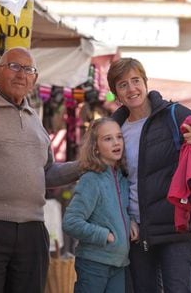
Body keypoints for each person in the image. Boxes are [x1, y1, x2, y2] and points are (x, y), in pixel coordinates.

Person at [0, 47, 80, 293]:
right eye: (14, 66)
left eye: (28, 69)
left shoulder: (34, 118)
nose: (21, 74)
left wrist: (84, 165)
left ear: (34, 78)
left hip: (32, 228)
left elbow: (47, 174)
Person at [108, 57, 191, 292]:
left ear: (145, 82)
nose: (131, 89)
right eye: (123, 85)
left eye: (135, 80)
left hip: (177, 227)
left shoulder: (173, 114)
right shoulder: (113, 129)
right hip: (137, 231)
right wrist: (125, 218)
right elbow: (111, 180)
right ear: (116, 94)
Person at [62, 117, 139, 293]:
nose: (116, 142)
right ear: (95, 147)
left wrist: (131, 221)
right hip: (94, 264)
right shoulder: (91, 179)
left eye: (119, 137)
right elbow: (71, 222)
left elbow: (119, 211)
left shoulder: (122, 177)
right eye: (108, 138)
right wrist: (104, 235)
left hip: (119, 264)